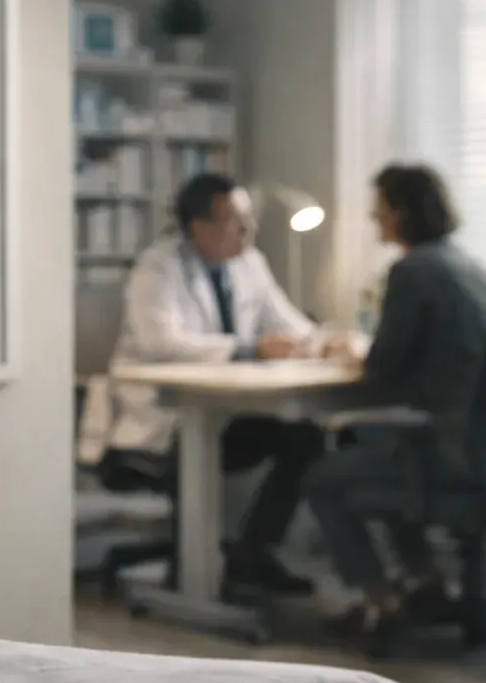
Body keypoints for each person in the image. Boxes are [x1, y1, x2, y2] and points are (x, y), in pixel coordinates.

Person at [304, 163, 486, 653]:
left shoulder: (412, 271)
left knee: (321, 479)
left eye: (379, 208)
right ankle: (426, 579)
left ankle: (380, 599)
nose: (374, 217)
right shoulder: (469, 267)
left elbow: (383, 368)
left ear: (399, 213)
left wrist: (351, 355)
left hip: (447, 453)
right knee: (383, 449)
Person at [105, 172, 329, 597]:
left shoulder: (249, 262)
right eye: (236, 221)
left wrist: (321, 342)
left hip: (227, 413)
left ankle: (252, 554)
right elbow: (161, 342)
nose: (249, 229)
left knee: (306, 438)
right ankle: (196, 582)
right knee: (208, 446)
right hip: (167, 419)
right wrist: (249, 348)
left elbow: (288, 322)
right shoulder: (158, 268)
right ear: (198, 227)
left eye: (249, 219)